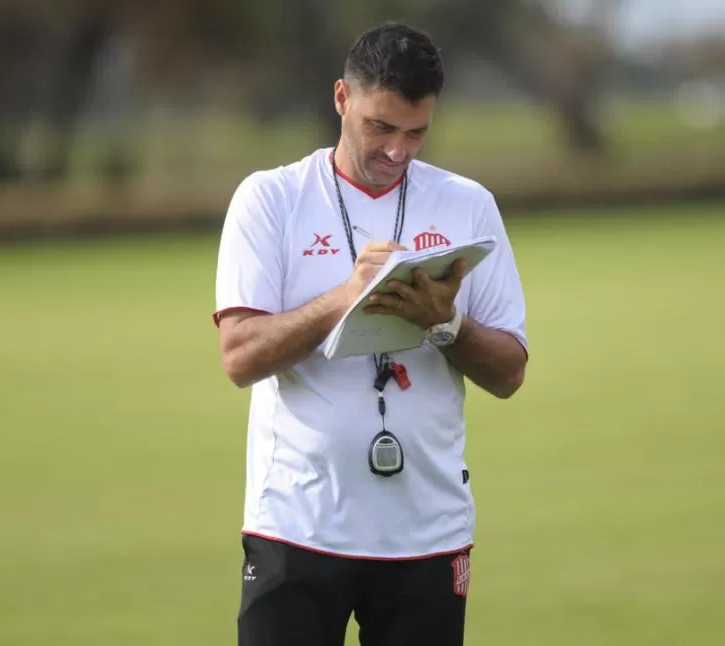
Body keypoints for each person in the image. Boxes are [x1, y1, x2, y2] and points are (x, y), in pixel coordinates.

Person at [212, 21, 529, 646]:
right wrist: (344, 297)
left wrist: (445, 323)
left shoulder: (468, 206)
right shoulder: (270, 199)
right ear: (341, 99)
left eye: (416, 132)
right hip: (296, 527)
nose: (397, 150)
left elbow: (510, 371)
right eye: (380, 127)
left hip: (427, 532)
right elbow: (239, 356)